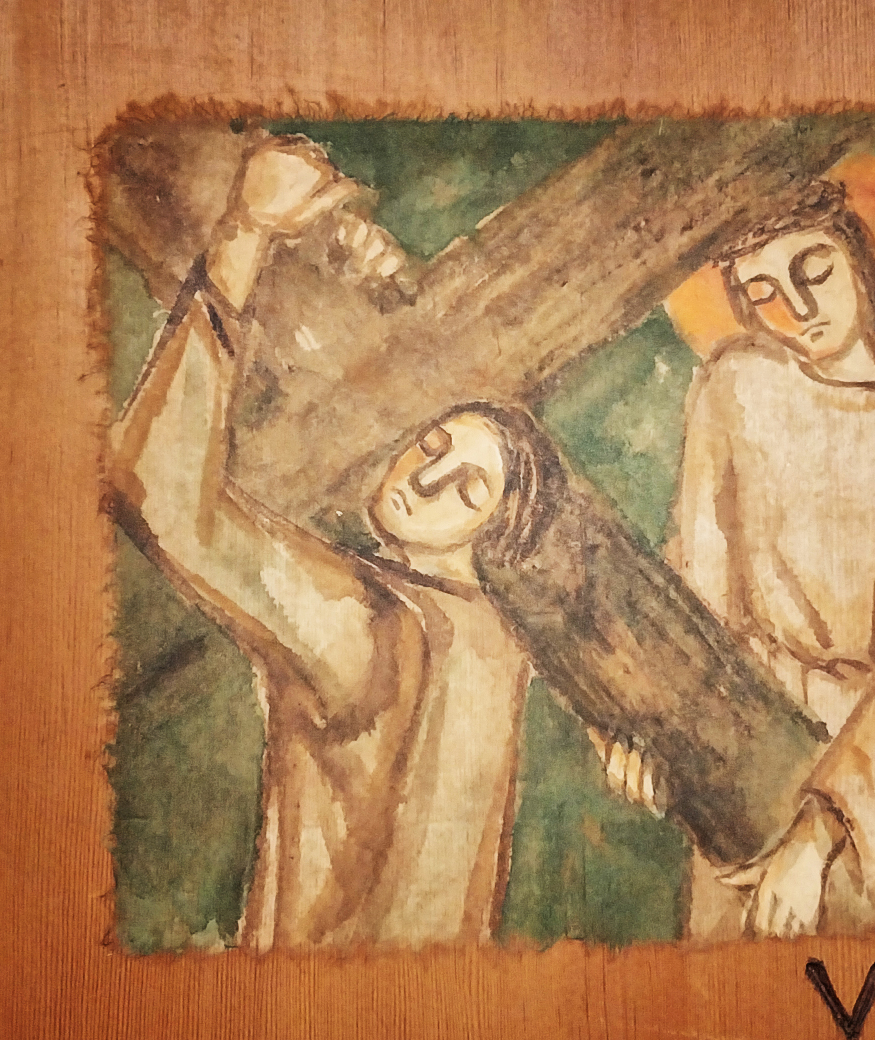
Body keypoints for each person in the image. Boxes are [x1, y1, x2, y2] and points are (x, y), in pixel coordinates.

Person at [108, 136, 568, 950]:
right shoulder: (501, 649)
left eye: (466, 488)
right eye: (432, 446)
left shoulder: (377, 621)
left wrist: (247, 232)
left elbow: (160, 491)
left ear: (494, 535)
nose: (424, 477)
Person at [667, 181, 875, 939]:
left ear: (860, 258)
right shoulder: (733, 385)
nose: (795, 307)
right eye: (762, 292)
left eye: (813, 269)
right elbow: (701, 603)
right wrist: (662, 730)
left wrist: (819, 837)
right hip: (745, 757)